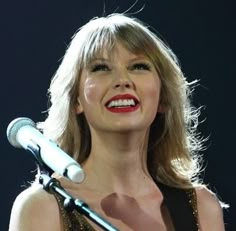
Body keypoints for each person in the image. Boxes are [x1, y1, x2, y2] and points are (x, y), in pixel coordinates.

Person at [8, 13, 226, 231]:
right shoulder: (41, 209)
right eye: (101, 68)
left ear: (163, 98)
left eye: (139, 66)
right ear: (76, 100)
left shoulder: (202, 207)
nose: (122, 81)